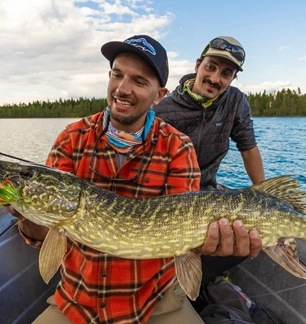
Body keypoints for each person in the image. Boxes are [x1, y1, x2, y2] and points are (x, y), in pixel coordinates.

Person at [6, 34, 261, 324]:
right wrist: (26, 212)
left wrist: (211, 240)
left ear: (159, 95)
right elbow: (42, 232)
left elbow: (186, 235)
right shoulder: (72, 137)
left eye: (139, 82)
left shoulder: (178, 147)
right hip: (79, 299)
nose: (122, 89)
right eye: (117, 75)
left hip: (155, 300)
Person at [154, 36, 265, 307]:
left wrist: (265, 195)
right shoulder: (163, 109)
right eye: (211, 67)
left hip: (207, 194)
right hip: (168, 198)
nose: (216, 78)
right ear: (198, 65)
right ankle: (193, 280)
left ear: (232, 78)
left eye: (226, 74)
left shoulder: (235, 102)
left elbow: (248, 148)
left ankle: (206, 278)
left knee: (250, 238)